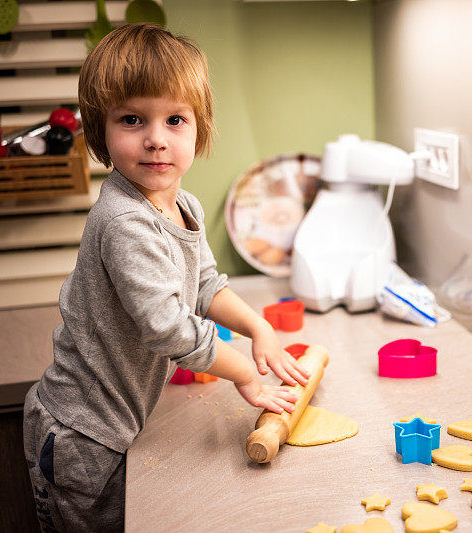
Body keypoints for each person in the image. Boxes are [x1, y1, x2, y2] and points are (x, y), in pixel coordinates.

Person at [23, 23, 309, 532]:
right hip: (80, 431)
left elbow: (204, 285)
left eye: (175, 118)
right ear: (99, 130)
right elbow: (167, 328)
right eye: (133, 119)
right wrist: (244, 373)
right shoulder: (125, 222)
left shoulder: (182, 204)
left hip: (115, 421)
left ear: (199, 128)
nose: (156, 139)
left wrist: (257, 327)